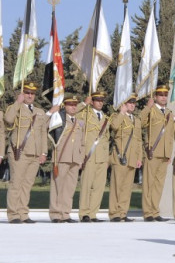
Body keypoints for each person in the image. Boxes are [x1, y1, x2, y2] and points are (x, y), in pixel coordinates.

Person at [5, 82, 49, 224]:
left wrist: (43, 152)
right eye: (27, 92)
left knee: (27, 185)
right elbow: (8, 120)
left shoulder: (39, 112)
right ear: (23, 94)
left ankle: (23, 213)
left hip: (35, 154)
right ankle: (13, 214)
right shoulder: (16, 108)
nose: (30, 95)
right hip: (20, 151)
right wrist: (17, 102)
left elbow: (43, 133)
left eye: (32, 93)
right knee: (16, 184)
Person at [140, 84, 175, 221]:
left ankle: (155, 211)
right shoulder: (151, 110)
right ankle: (148, 212)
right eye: (160, 95)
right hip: (153, 152)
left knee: (158, 185)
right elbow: (141, 122)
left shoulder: (169, 113)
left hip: (165, 153)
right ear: (155, 97)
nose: (163, 97)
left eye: (165, 95)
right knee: (149, 183)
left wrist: (169, 153)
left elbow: (171, 135)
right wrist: (147, 107)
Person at [108, 94, 143, 222]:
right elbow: (114, 127)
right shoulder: (118, 117)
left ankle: (123, 212)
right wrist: (121, 113)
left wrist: (140, 157)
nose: (132, 105)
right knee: (117, 186)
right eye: (129, 103)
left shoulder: (137, 120)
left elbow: (139, 140)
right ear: (124, 104)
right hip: (120, 156)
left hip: (132, 158)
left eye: (134, 103)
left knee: (127, 188)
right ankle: (114, 213)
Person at [48, 95, 83, 223]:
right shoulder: (59, 119)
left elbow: (82, 142)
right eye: (70, 104)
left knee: (70, 187)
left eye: (75, 104)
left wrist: (80, 158)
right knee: (58, 187)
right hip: (61, 157)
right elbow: (47, 127)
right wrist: (52, 112)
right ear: (65, 106)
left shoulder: (79, 121)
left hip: (74, 159)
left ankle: (65, 213)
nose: (73, 107)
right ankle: (56, 214)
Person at [78, 91, 110, 222]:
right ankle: (84, 213)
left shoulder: (106, 118)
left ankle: (92, 213)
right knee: (86, 185)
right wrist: (83, 103)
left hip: (102, 157)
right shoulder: (85, 115)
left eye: (102, 100)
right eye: (97, 100)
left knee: (99, 187)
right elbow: (73, 114)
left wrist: (107, 158)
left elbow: (107, 138)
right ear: (92, 101)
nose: (100, 102)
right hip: (89, 155)